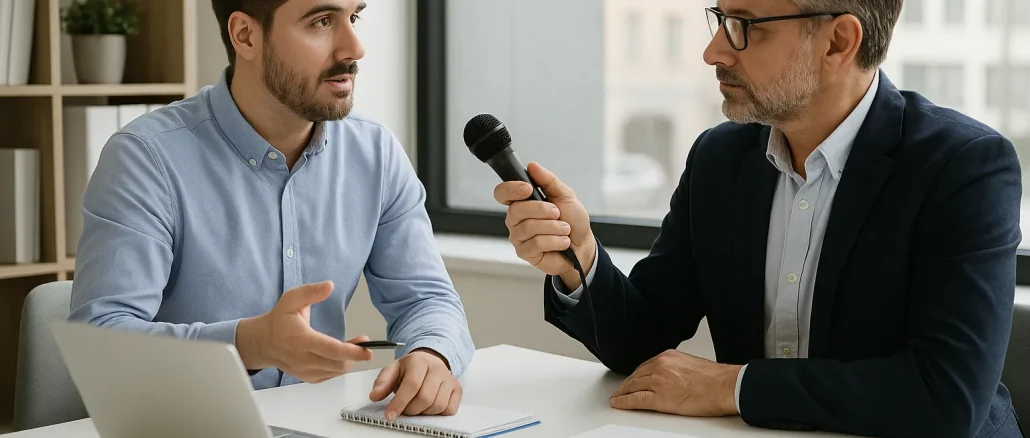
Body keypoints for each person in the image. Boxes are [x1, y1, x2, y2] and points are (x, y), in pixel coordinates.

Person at [494, 0, 1023, 436]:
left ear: (839, 42)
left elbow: (946, 397)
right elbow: (641, 340)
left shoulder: (963, 165)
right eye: (719, 19)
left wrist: (730, 386)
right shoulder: (720, 159)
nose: (713, 51)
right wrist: (579, 257)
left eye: (744, 27)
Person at [69, 0, 474, 421]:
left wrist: (431, 353)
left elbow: (427, 299)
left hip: (320, 425)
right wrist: (249, 343)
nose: (355, 47)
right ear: (245, 35)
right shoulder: (146, 158)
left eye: (354, 17)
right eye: (321, 21)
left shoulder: (376, 154)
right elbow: (101, 343)